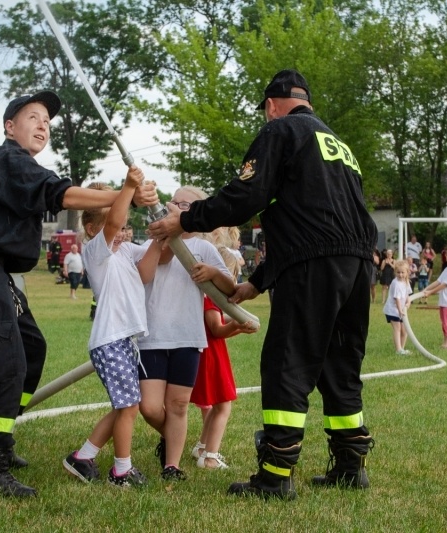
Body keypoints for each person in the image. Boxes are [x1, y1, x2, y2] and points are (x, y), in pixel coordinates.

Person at [146, 69, 378, 500]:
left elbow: (245, 197)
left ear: (272, 106)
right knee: (340, 365)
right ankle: (351, 464)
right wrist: (255, 284)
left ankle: (275, 475)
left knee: (287, 363)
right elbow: (314, 224)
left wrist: (185, 219)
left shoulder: (280, 132)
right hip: (358, 265)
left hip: (315, 268)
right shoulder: (338, 146)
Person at [0, 90, 158, 498]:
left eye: (47, 122)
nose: (42, 126)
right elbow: (64, 195)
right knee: (6, 355)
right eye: (32, 117)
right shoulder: (10, 159)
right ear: (9, 126)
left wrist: (126, 196)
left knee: (30, 347)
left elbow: (57, 195)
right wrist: (127, 193)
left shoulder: (11, 166)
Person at [62, 174, 162, 488]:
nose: (120, 229)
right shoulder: (95, 252)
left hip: (125, 340)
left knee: (124, 405)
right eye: (111, 224)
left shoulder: (125, 252)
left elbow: (146, 273)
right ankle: (121, 471)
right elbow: (114, 221)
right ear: (92, 229)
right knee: (128, 406)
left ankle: (83, 456)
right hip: (110, 340)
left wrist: (160, 236)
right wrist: (129, 188)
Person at [139, 186, 237, 483]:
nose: (175, 206)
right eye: (175, 201)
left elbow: (230, 287)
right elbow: (146, 274)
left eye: (184, 204)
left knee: (179, 405)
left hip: (188, 338)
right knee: (151, 407)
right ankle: (172, 439)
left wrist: (213, 272)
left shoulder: (206, 249)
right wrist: (164, 238)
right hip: (152, 336)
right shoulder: (154, 241)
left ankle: (172, 466)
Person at [190, 227, 257, 469]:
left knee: (217, 405)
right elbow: (216, 329)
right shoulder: (210, 296)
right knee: (223, 406)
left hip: (212, 352)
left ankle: (202, 446)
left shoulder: (211, 297)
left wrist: (239, 323)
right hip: (210, 354)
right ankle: (210, 457)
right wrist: (237, 327)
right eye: (234, 277)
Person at [422, 246, 447, 350]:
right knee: (444, 323)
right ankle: (445, 343)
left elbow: (444, 285)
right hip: (444, 301)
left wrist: (430, 292)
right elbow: (438, 281)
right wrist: (426, 289)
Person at [383, 260, 412, 355]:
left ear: (407, 272)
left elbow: (407, 295)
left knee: (405, 330)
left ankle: (402, 349)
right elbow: (397, 299)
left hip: (401, 310)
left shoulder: (406, 282)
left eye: (403, 272)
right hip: (393, 310)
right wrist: (400, 310)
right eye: (398, 272)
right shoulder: (395, 283)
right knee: (397, 328)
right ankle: (398, 350)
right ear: (395, 272)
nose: (400, 275)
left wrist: (408, 303)